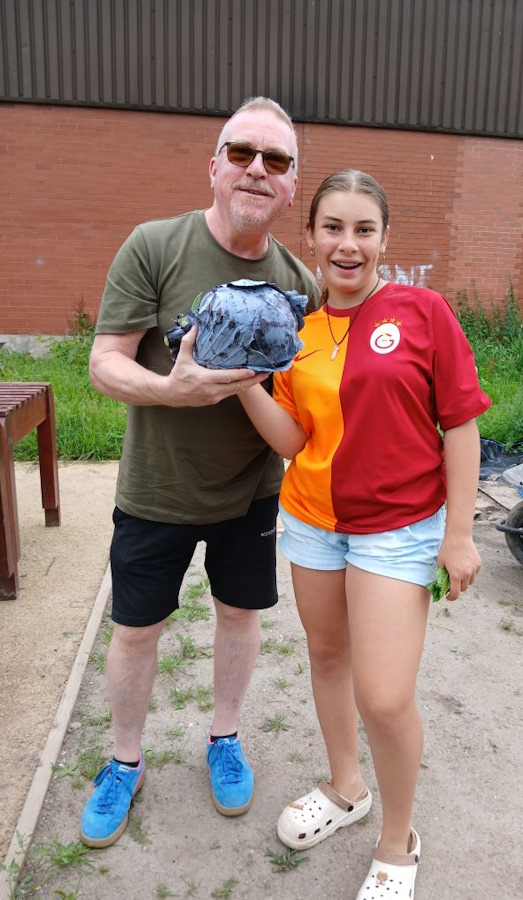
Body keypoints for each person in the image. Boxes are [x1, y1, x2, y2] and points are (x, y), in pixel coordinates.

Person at [238, 169, 491, 899]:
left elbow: (461, 425)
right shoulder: (297, 332)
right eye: (333, 228)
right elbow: (293, 440)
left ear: (384, 239)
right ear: (310, 236)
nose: (347, 245)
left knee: (383, 696)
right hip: (313, 522)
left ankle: (397, 839)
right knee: (327, 657)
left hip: (398, 530)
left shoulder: (422, 311)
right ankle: (347, 787)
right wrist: (244, 382)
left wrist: (460, 534)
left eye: (363, 230)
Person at [80, 97, 318, 849]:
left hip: (251, 493)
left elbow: (306, 400)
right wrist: (170, 390)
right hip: (157, 486)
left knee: (239, 616)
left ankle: (224, 739)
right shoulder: (155, 245)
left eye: (276, 160)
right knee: (136, 630)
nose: (257, 169)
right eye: (242, 153)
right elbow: (105, 363)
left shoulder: (299, 283)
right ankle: (125, 761)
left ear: (291, 186)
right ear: (214, 166)